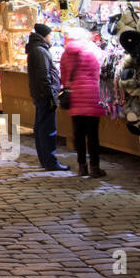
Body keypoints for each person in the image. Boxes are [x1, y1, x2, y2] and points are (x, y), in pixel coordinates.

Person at [60, 27, 107, 177]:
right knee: (93, 134)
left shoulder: (65, 54)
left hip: (74, 97)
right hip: (91, 95)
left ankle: (82, 166)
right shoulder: (92, 51)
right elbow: (98, 69)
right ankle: (95, 167)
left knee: (78, 134)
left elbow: (64, 76)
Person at [25, 24, 67, 171]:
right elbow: (44, 76)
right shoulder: (40, 51)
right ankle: (50, 161)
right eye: (49, 35)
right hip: (47, 95)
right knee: (48, 129)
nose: (51, 38)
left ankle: (46, 160)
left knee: (41, 127)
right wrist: (51, 95)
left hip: (42, 94)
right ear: (44, 36)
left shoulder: (37, 49)